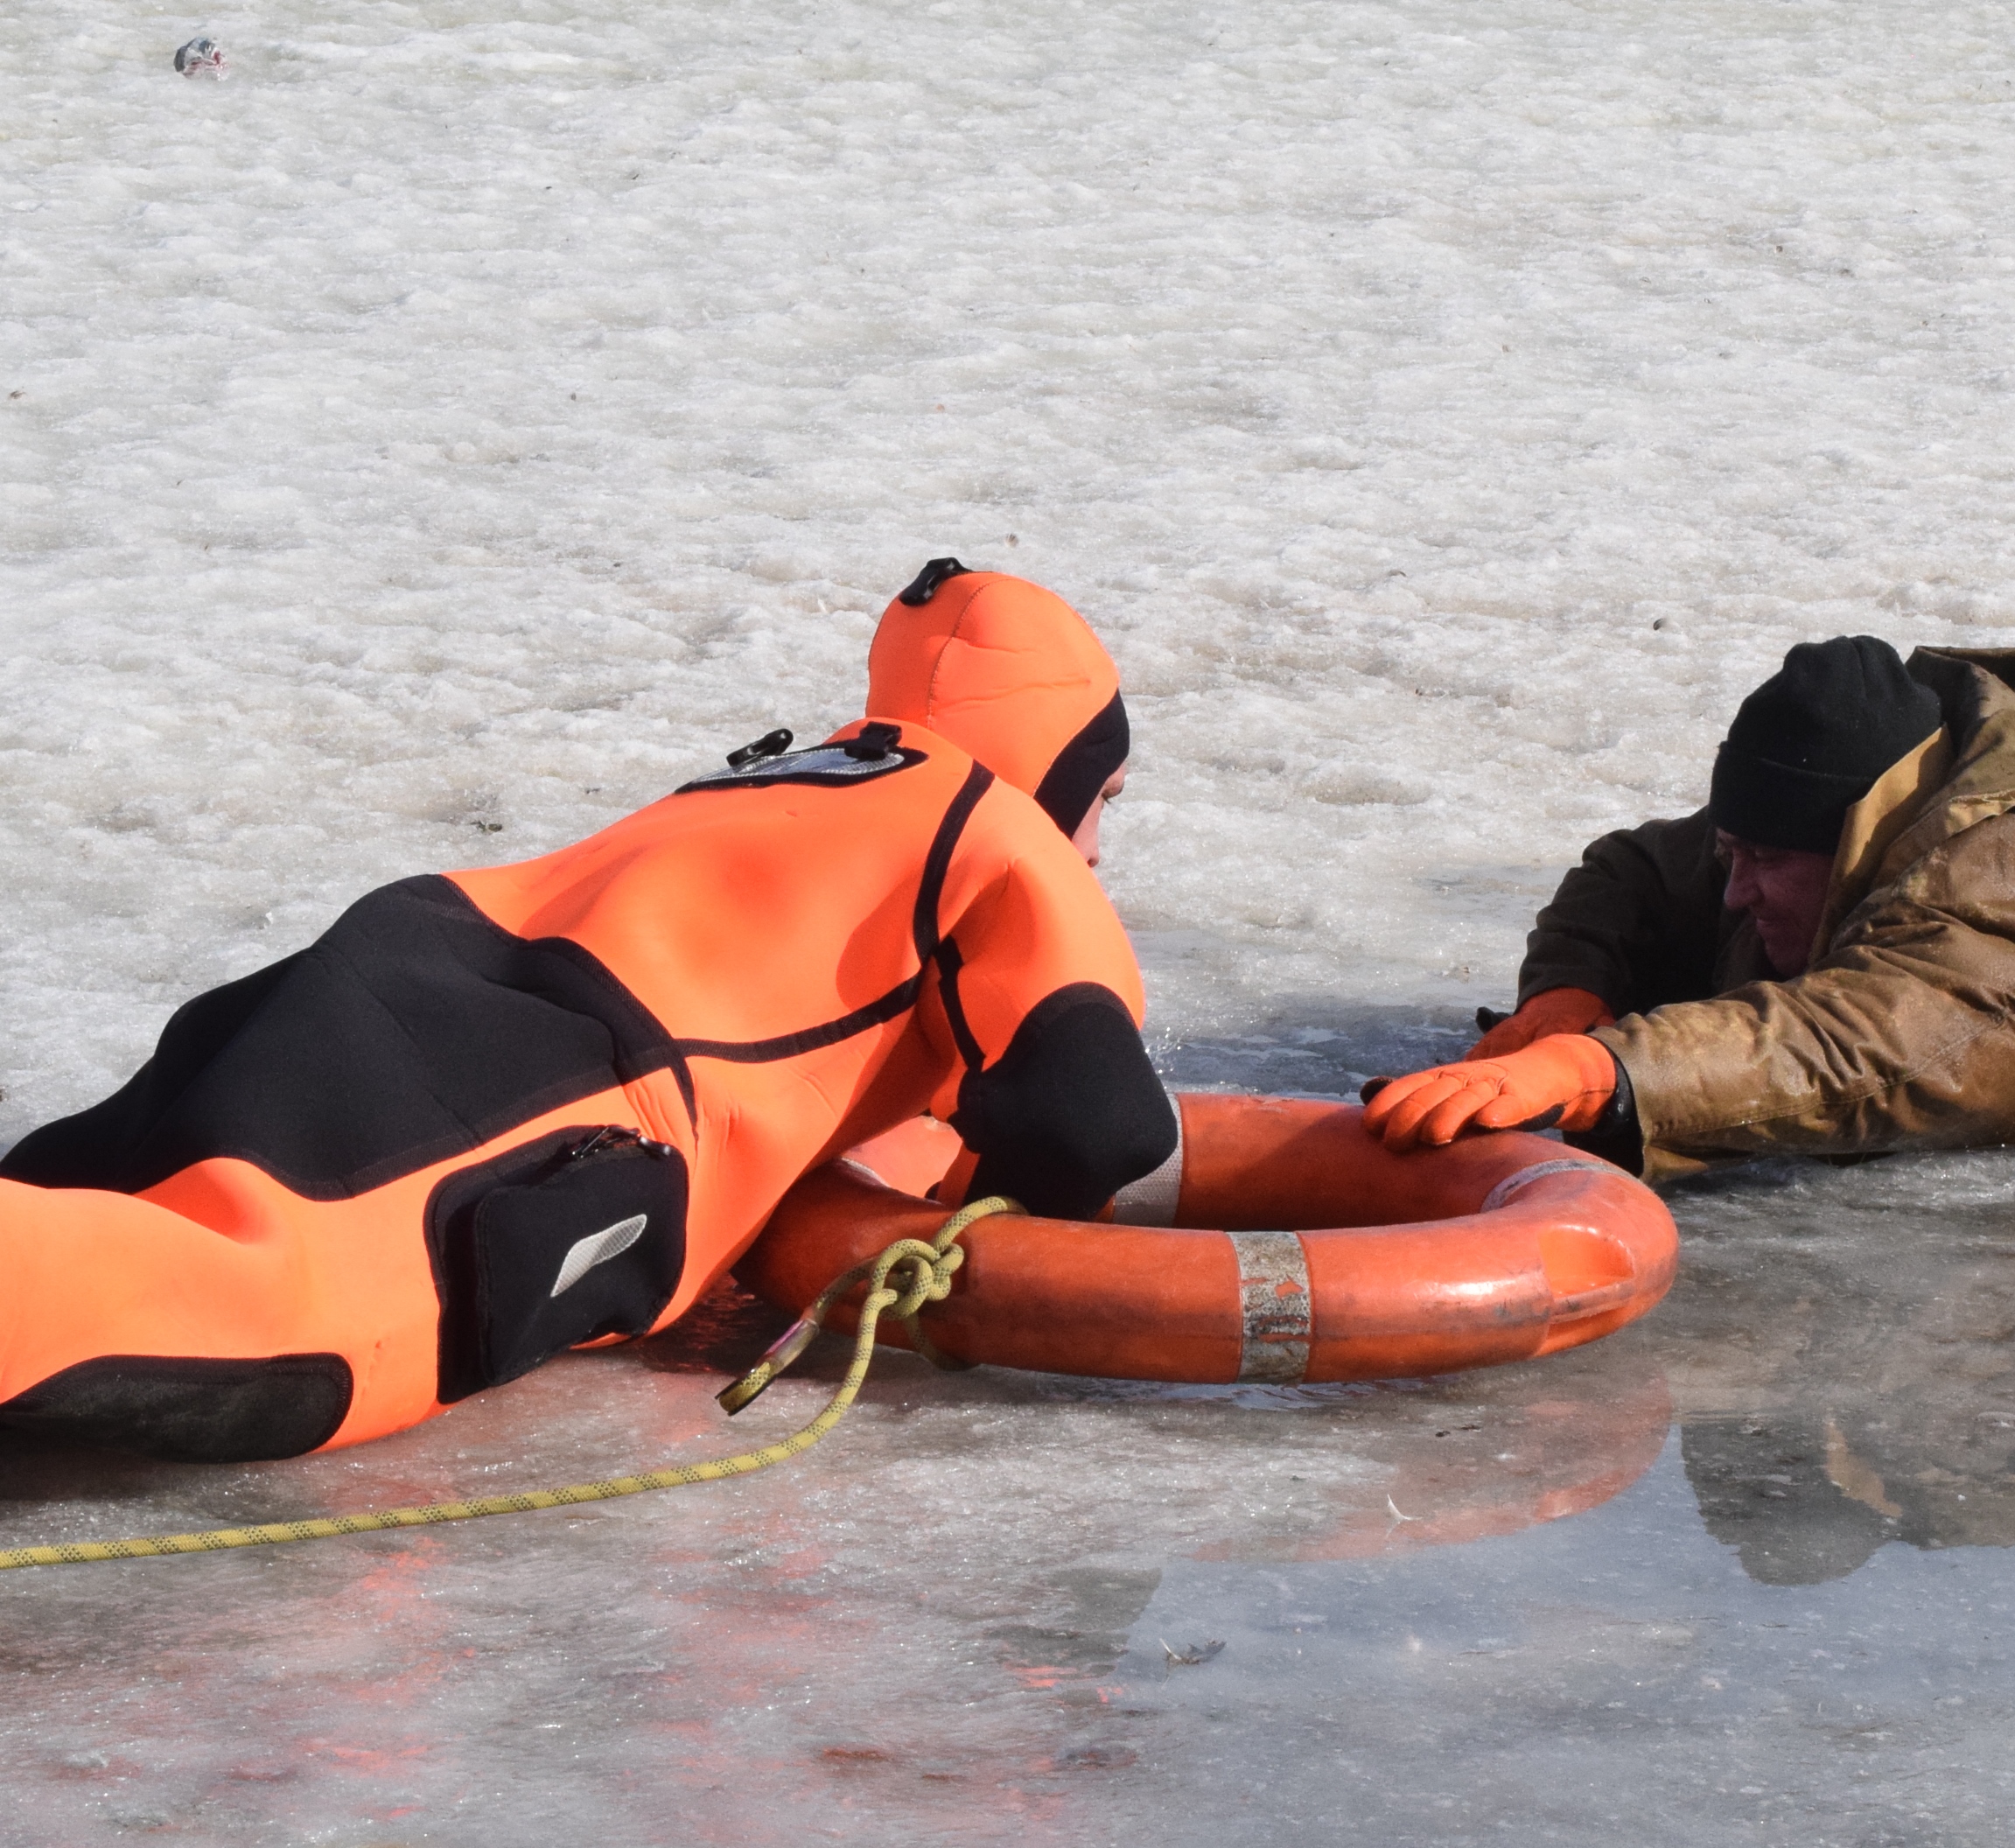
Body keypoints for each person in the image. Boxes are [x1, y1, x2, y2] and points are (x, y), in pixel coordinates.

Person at [0, 562, 1175, 1461]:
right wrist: (1001, 1274)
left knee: (67, 1199)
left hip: (384, 965)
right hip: (535, 1081)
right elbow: (1096, 1121)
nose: (1099, 850)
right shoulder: (1000, 830)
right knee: (253, 1321)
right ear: (1049, 768)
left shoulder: (789, 774)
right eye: (1100, 800)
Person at [1365, 638, 2015, 1178]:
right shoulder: (1839, 838)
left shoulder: (2008, 916)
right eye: (1732, 854)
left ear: (1855, 838)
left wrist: (1600, 1073)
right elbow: (1635, 873)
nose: (1739, 891)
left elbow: (1842, 1045)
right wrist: (1568, 996)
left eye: (1768, 861)